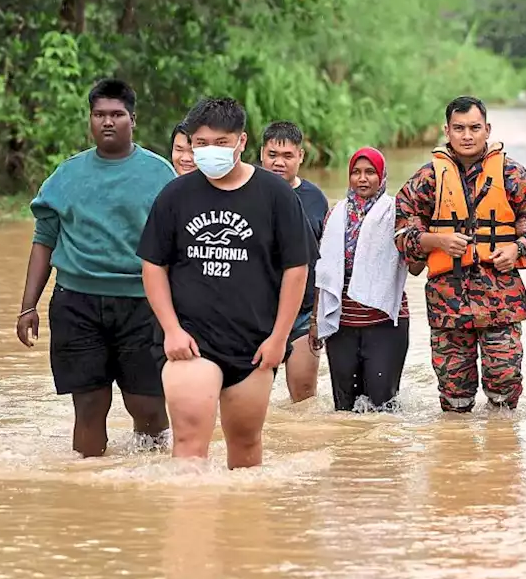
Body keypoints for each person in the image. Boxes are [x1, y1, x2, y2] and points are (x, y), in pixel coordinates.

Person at [136, 98, 311, 468]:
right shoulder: (175, 196)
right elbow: (153, 266)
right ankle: (188, 523)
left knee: (246, 447)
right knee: (188, 444)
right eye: (200, 143)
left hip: (254, 345)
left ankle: (241, 524)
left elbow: (296, 270)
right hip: (190, 343)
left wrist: (279, 339)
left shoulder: (276, 196)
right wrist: (171, 330)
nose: (209, 151)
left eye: (220, 142)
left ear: (242, 141)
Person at [17, 79, 175, 457]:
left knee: (148, 407)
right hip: (77, 304)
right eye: (99, 114)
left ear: (132, 120)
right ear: (90, 119)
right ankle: (86, 491)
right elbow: (44, 240)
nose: (108, 122)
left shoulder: (160, 175)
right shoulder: (66, 175)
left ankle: (152, 483)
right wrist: (28, 306)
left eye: (117, 115)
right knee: (89, 407)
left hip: (142, 305)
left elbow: (177, 247)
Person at [395, 95, 526, 413]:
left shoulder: (511, 174)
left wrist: (518, 248)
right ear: (447, 131)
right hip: (447, 304)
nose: (467, 135)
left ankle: (503, 456)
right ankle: (457, 458)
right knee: (454, 398)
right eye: (459, 128)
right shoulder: (427, 179)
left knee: (505, 389)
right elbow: (400, 234)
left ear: (487, 129)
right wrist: (436, 242)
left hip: (502, 303)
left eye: (474, 128)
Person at [314, 148, 411, 411]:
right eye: (356, 172)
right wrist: (315, 321)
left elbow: (412, 260)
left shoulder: (396, 213)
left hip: (383, 323)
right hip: (342, 324)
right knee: (344, 410)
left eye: (370, 172)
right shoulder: (336, 214)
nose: (362, 179)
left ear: (382, 177)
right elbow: (322, 272)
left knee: (382, 408)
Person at [259, 121, 330, 403]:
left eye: (287, 156)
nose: (279, 163)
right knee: (252, 397)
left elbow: (326, 261)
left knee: (304, 399)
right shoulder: (247, 193)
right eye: (272, 155)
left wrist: (318, 318)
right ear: (261, 153)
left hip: (303, 314)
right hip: (258, 313)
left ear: (301, 156)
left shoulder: (315, 198)